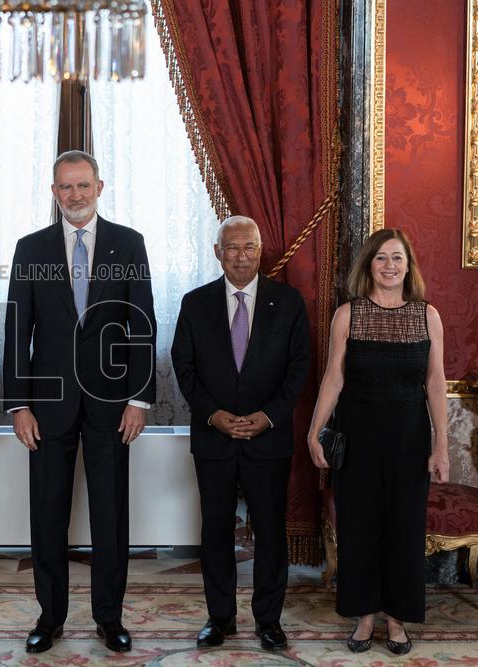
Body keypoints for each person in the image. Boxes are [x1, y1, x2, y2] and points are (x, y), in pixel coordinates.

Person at [2, 150, 156, 654]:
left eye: (83, 185)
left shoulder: (129, 244)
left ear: (99, 187)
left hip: (113, 403)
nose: (75, 195)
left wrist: (139, 398)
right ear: (54, 192)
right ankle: (50, 617)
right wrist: (18, 405)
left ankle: (109, 618)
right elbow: (17, 330)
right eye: (66, 187)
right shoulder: (31, 248)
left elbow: (142, 323)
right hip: (47, 406)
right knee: (48, 513)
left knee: (111, 514)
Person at [170, 215, 310, 652]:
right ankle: (220, 618)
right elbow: (183, 366)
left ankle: (269, 621)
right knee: (215, 531)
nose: (241, 256)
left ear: (260, 250)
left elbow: (299, 367)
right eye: (232, 247)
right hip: (214, 438)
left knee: (270, 532)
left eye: (249, 246)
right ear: (218, 252)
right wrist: (212, 415)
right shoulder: (195, 303)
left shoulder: (288, 302)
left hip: (268, 438)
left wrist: (269, 416)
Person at [307, 228, 448, 656]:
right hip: (358, 436)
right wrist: (315, 430)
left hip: (409, 438)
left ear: (409, 266)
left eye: (397, 258)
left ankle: (397, 620)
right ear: (369, 265)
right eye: (382, 257)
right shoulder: (348, 314)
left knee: (404, 529)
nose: (390, 266)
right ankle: (365, 616)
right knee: (359, 528)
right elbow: (334, 377)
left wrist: (442, 445)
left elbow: (435, 382)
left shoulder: (428, 315)